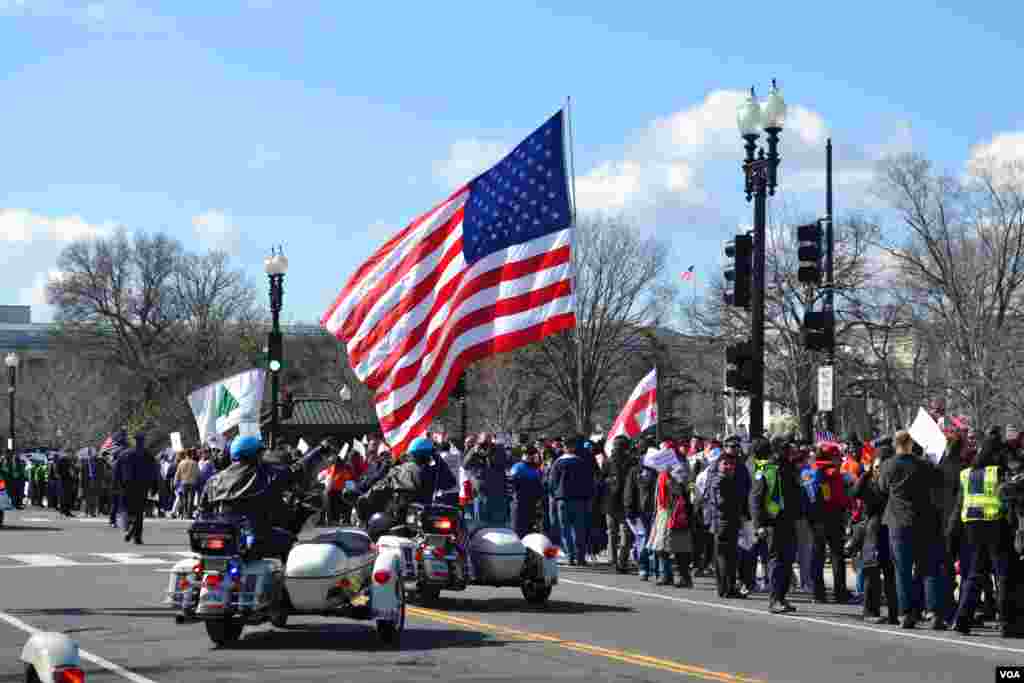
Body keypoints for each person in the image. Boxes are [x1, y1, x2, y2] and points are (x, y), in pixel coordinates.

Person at [199, 435, 335, 560]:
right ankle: (280, 583)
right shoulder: (268, 475)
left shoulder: (213, 480)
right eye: (261, 453)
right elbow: (297, 469)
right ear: (256, 455)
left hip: (221, 539)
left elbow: (202, 512)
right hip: (253, 537)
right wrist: (319, 450)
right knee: (289, 541)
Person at [878, 430, 945, 630]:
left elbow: (881, 488)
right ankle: (932, 612)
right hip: (923, 520)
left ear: (895, 444)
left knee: (903, 570)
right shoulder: (922, 465)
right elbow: (938, 480)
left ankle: (905, 614)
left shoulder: (887, 465)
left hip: (898, 522)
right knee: (929, 567)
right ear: (910, 444)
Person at [949, 432, 1009, 635]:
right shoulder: (998, 472)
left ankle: (962, 620)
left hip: (972, 527)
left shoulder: (966, 473)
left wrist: (952, 533)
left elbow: (959, 505)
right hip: (994, 524)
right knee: (1001, 574)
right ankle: (1006, 622)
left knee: (975, 574)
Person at [750, 436, 803, 614]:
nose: (788, 451)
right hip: (772, 522)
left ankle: (782, 597)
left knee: (788, 561)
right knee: (776, 561)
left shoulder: (789, 467)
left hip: (788, 520)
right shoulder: (765, 468)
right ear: (776, 450)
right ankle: (775, 600)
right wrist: (759, 525)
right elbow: (755, 498)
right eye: (784, 448)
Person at [852, 446, 899, 624]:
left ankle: (895, 613)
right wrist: (866, 474)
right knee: (872, 572)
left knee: (890, 574)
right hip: (873, 531)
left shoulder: (892, 481)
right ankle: (870, 611)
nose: (879, 470)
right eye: (877, 466)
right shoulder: (869, 481)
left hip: (890, 529)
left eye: (882, 466)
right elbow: (855, 493)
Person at [706, 436, 750, 598]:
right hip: (723, 519)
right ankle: (727, 588)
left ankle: (726, 587)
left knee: (727, 555)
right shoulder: (718, 476)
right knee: (725, 556)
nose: (733, 449)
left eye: (736, 446)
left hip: (730, 518)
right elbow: (719, 500)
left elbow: (746, 488)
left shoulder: (739, 468)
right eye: (730, 446)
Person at [548, 438, 594, 566]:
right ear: (573, 448)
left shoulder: (558, 463)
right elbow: (589, 482)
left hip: (562, 500)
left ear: (564, 447)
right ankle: (580, 557)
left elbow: (552, 483)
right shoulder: (581, 462)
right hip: (579, 500)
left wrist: (554, 495)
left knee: (565, 529)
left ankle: (570, 556)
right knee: (580, 529)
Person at [116, 433, 159, 545]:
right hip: (142, 486)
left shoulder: (124, 454)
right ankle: (136, 536)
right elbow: (154, 472)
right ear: (143, 441)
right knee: (139, 513)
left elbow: (117, 471)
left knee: (130, 511)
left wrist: (117, 485)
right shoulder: (148, 455)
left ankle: (130, 530)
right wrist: (155, 486)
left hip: (127, 486)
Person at [602, 436, 636, 573]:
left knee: (612, 532)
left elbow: (601, 479)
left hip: (610, 501)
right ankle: (622, 560)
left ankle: (613, 559)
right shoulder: (631, 461)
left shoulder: (608, 461)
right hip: (624, 501)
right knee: (625, 533)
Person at [463, 433, 510, 527]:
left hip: (497, 491)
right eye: (483, 442)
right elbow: (465, 465)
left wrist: (489, 454)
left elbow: (505, 463)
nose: (485, 445)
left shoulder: (499, 450)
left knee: (497, 521)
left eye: (487, 441)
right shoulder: (475, 451)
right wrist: (473, 452)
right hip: (481, 491)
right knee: (481, 521)